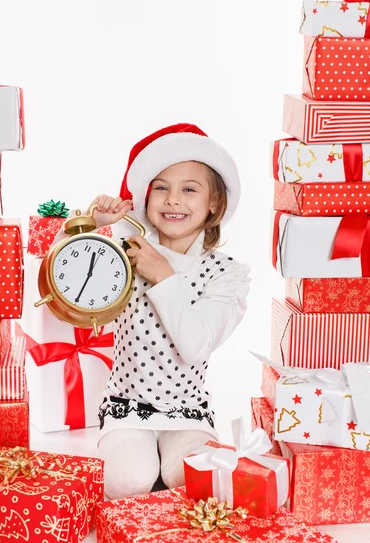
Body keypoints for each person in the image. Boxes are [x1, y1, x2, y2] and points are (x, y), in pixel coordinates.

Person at [91, 123, 251, 499]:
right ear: (145, 197)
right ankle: (142, 469)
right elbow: (71, 294)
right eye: (161, 187)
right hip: (127, 405)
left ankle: (165, 474)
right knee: (127, 483)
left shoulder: (226, 274)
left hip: (186, 407)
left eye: (189, 189)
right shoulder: (124, 252)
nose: (172, 199)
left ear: (214, 203)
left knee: (191, 480)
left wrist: (162, 275)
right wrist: (92, 230)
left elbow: (195, 346)